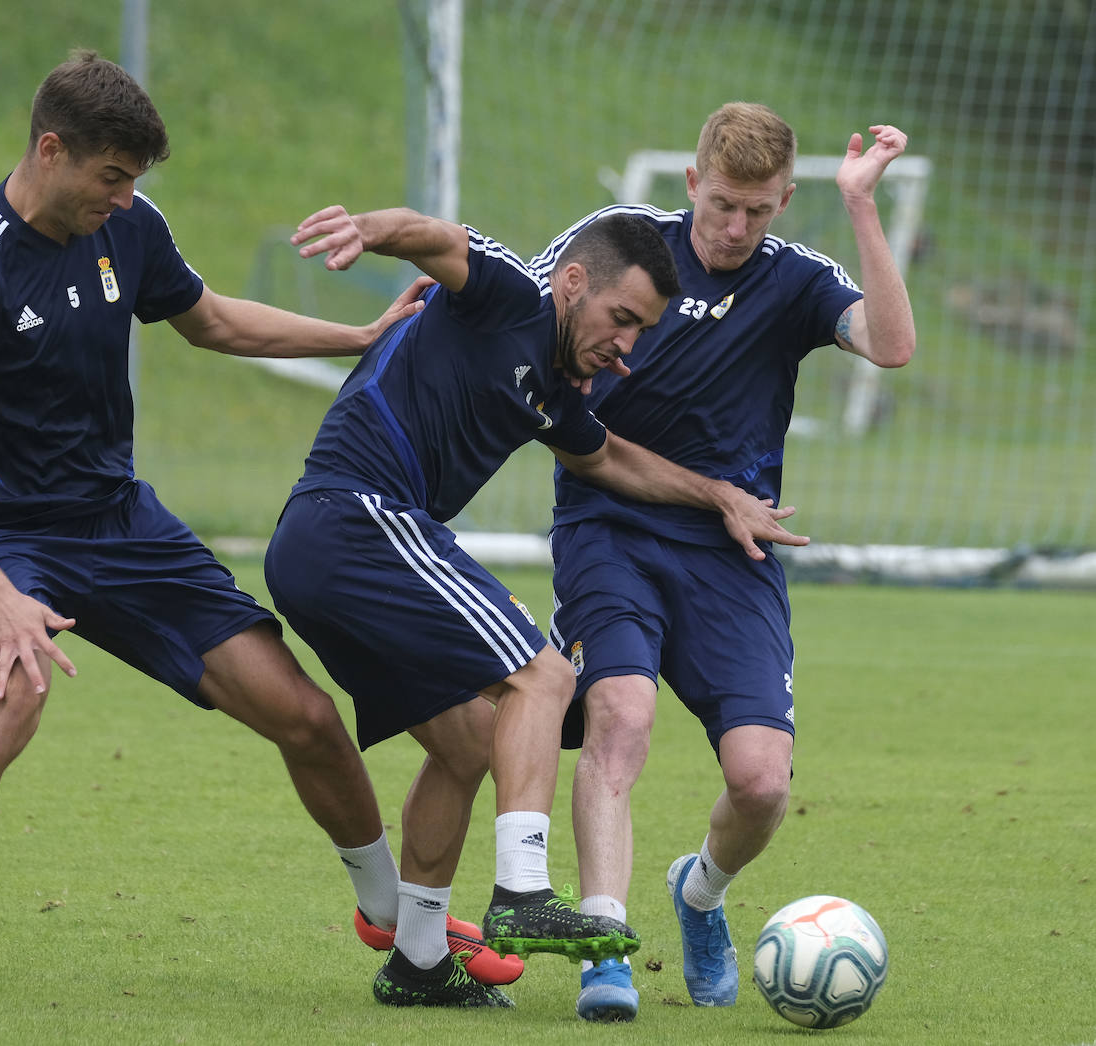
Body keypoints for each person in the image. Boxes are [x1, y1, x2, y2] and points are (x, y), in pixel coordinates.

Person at [0, 49, 438, 1018]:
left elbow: (211, 322)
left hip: (124, 525)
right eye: (112, 176)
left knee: (308, 716)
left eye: (134, 181)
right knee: (10, 696)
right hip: (8, 543)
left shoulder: (130, 228)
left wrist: (356, 339)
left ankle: (395, 923)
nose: (123, 198)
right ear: (51, 149)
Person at [264, 202, 807, 1008]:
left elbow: (611, 458)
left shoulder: (554, 391)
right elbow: (439, 237)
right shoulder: (511, 296)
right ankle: (522, 891)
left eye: (641, 334)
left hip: (335, 550)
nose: (626, 349)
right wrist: (368, 231)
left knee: (471, 744)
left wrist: (718, 494)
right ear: (572, 283)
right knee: (545, 679)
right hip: (355, 517)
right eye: (621, 319)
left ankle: (417, 961)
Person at [539, 102, 916, 1022]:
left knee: (760, 783)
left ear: (785, 200)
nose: (736, 228)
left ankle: (699, 893)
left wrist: (863, 207)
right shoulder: (625, 253)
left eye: (758, 210)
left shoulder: (795, 282)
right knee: (620, 716)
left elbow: (895, 347)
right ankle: (604, 947)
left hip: (734, 550)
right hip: (609, 530)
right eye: (722, 206)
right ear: (691, 184)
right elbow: (524, 312)